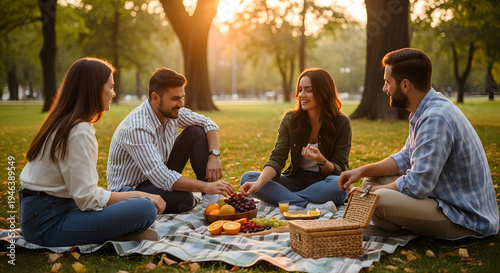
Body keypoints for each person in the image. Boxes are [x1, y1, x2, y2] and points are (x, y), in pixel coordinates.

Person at [338, 48, 499, 239]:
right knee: (371, 180)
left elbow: (417, 185)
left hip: (463, 218)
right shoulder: (421, 110)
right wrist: (362, 171)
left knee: (378, 199)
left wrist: (365, 194)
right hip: (438, 199)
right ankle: (401, 219)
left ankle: (400, 219)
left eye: (388, 82)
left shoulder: (436, 118)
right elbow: (406, 157)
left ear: (405, 85)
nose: (384, 88)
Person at [19, 57, 165, 247]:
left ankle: (112, 231)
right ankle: (115, 232)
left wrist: (133, 194)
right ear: (94, 88)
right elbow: (87, 198)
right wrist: (138, 196)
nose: (113, 93)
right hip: (47, 223)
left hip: (50, 209)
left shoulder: (65, 122)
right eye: (110, 87)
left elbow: (82, 194)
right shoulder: (79, 130)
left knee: (126, 192)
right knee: (144, 208)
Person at [106, 67, 235, 213]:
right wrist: (203, 186)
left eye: (182, 97)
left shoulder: (172, 111)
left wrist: (214, 155)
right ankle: (199, 196)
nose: (181, 104)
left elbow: (208, 124)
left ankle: (210, 198)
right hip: (131, 189)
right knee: (184, 199)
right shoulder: (137, 127)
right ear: (155, 97)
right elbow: (160, 175)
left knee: (196, 131)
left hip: (157, 176)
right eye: (175, 98)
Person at [239, 68, 351, 213]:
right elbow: (278, 158)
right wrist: (259, 184)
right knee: (248, 178)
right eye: (299, 90)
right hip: (295, 180)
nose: (301, 95)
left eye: (308, 90)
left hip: (323, 183)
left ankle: (282, 199)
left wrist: (321, 160)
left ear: (323, 92)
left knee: (338, 186)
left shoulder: (341, 122)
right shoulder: (290, 120)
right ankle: (307, 205)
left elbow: (340, 170)